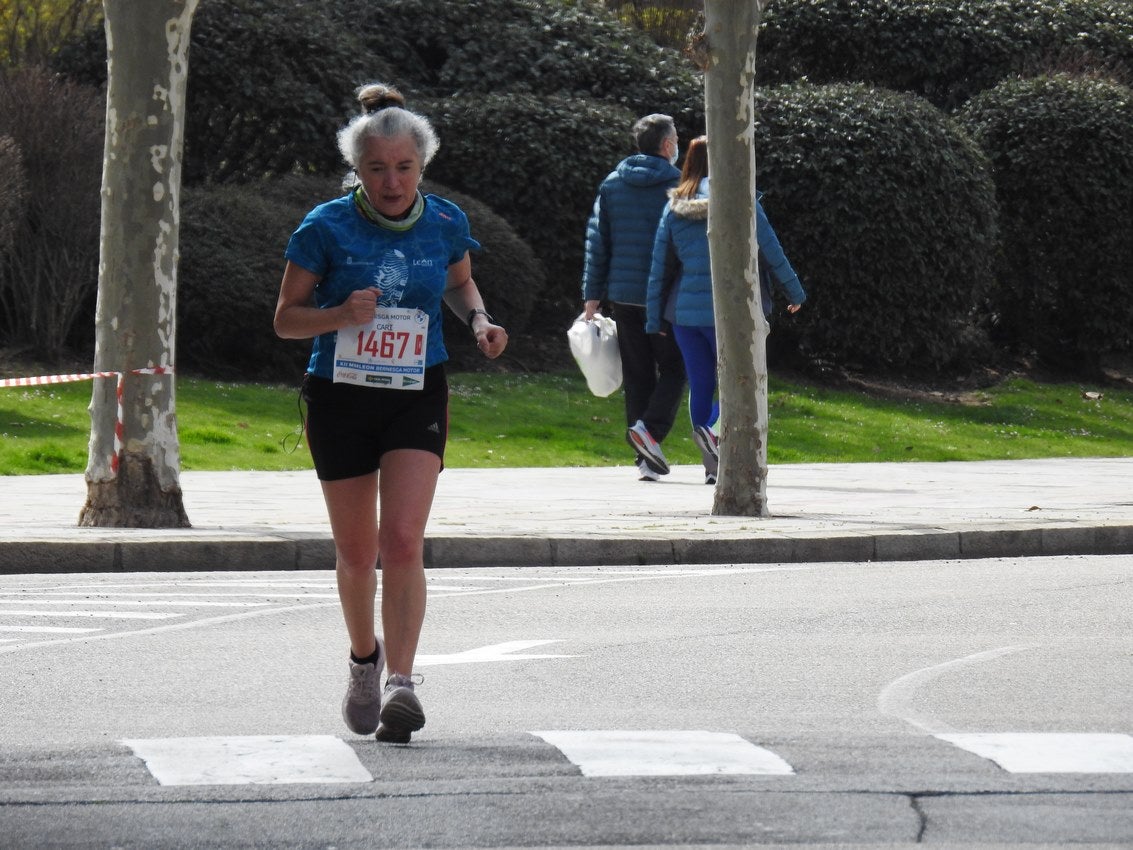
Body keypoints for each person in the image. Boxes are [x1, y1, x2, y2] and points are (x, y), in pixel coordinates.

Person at [273, 83, 508, 743]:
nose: (391, 180)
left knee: (401, 541)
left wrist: (482, 321)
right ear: (359, 169)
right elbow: (286, 320)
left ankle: (402, 682)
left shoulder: (444, 222)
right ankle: (363, 661)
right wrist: (339, 315)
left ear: (421, 166)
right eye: (377, 168)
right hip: (340, 397)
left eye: (403, 167)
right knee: (356, 550)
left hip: (416, 392)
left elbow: (460, 283)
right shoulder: (324, 227)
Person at [645, 135, 806, 484]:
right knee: (740, 383)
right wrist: (795, 291)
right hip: (730, 312)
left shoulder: (674, 206)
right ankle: (715, 435)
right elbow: (771, 250)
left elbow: (660, 266)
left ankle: (711, 464)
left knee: (701, 384)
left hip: (685, 315)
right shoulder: (741, 200)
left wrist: (653, 317)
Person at [582, 113, 686, 482]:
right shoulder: (678, 185)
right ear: (668, 145)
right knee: (677, 368)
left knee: (639, 374)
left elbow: (598, 242)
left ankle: (644, 460)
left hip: (623, 296)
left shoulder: (612, 184)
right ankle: (650, 432)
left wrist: (592, 295)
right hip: (665, 296)